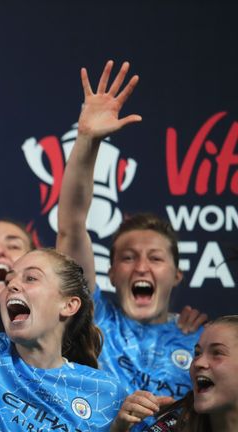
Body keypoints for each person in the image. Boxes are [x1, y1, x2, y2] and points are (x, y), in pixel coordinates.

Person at [56, 60, 203, 414]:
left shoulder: (203, 342)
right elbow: (72, 224)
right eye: (127, 257)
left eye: (155, 258)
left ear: (177, 274)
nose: (141, 266)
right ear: (111, 273)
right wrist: (87, 141)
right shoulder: (92, 319)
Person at [0, 248, 127, 430]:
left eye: (31, 278)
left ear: (69, 305)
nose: (11, 285)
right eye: (8, 280)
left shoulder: (106, 392)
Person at [110, 315, 238, 432]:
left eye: (217, 353)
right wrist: (119, 429)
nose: (198, 363)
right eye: (197, 353)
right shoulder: (173, 424)